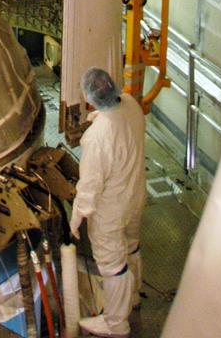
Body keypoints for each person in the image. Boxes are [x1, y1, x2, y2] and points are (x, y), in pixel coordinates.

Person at [69, 67, 147, 336]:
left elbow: (90, 185)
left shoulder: (97, 138)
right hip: (135, 194)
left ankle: (115, 323)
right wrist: (98, 118)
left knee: (112, 264)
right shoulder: (131, 105)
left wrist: (77, 215)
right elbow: (119, 122)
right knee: (131, 245)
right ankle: (132, 296)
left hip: (111, 208)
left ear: (89, 97)